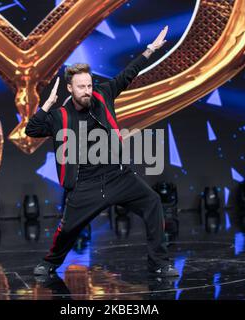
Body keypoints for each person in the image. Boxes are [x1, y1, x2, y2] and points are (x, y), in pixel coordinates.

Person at [25, 26, 178, 277]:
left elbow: (128, 74)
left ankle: (159, 263)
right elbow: (31, 130)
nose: (87, 90)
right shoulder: (59, 116)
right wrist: (47, 105)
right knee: (68, 230)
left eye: (88, 85)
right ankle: (51, 262)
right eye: (81, 87)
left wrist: (150, 50)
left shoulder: (103, 95)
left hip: (118, 177)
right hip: (86, 185)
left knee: (152, 202)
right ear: (70, 89)